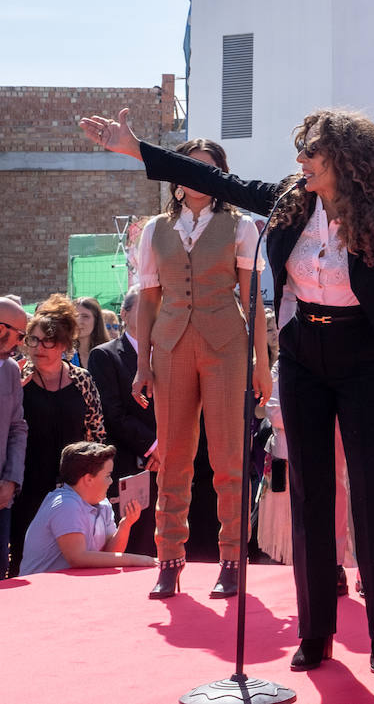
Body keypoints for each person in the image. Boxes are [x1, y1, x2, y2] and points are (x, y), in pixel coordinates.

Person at [79, 107, 374, 673]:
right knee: (310, 497)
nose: (301, 160)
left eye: (312, 151)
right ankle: (315, 635)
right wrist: (137, 149)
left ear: (343, 160)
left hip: (361, 357)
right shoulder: (288, 202)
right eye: (301, 150)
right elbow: (217, 180)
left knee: (371, 496)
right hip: (304, 354)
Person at [127, 136, 269, 600]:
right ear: (176, 178)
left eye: (209, 170)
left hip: (227, 344)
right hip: (170, 346)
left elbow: (252, 301)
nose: (199, 178)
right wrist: (142, 362)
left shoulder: (241, 226)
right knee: (172, 457)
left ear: (220, 177)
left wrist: (260, 364)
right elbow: (149, 300)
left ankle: (232, 559)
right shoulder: (154, 231)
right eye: (191, 169)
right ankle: (169, 560)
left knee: (229, 458)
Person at [10, 294, 107, 576]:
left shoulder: (82, 380)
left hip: (72, 491)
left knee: (72, 564)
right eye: (33, 340)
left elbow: (97, 434)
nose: (38, 348)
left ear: (64, 344)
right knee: (25, 560)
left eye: (47, 341)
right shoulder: (19, 379)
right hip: (28, 488)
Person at [86, 290, 159, 558]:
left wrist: (168, 448)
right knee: (134, 546)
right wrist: (154, 446)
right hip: (130, 466)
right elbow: (112, 413)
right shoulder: (105, 356)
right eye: (144, 308)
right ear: (124, 314)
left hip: (170, 467)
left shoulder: (170, 355)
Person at [18, 441, 156, 574]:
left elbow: (109, 555)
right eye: (107, 475)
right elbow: (77, 558)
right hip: (40, 592)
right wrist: (135, 559)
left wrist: (125, 525)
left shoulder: (104, 504)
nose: (111, 481)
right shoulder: (65, 504)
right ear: (88, 479)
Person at [0, 297, 29, 577]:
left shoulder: (10, 371)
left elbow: (17, 427)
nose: (21, 343)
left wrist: (11, 480)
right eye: (19, 335)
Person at [71, 297, 110, 369]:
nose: (79, 321)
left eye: (85, 316)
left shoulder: (108, 354)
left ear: (96, 321)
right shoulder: (63, 355)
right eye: (75, 316)